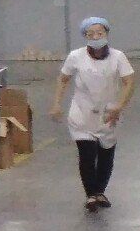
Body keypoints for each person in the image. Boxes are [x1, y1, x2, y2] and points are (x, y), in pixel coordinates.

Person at [49, 17, 135, 211]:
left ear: (106, 34)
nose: (96, 37)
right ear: (85, 37)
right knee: (87, 154)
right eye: (90, 34)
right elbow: (63, 79)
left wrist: (120, 106)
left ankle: (100, 191)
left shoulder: (118, 57)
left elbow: (129, 81)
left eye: (100, 33)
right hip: (81, 113)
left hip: (108, 114)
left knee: (106, 154)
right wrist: (56, 104)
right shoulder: (76, 56)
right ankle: (90, 195)